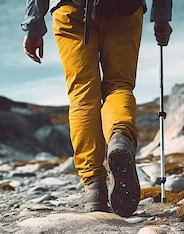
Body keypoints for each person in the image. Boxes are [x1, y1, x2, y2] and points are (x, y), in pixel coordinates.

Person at [22, 0, 172, 217]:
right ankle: (120, 136)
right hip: (125, 9)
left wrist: (34, 25)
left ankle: (94, 187)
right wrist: (161, 16)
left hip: (70, 9)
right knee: (119, 85)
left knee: (82, 96)